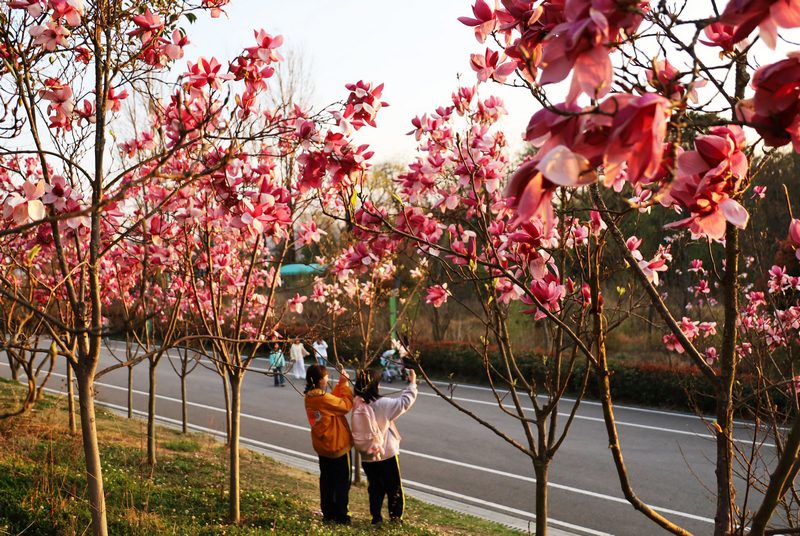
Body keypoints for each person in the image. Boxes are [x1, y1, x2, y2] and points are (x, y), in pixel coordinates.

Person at [354, 368, 417, 524]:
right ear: (376, 385)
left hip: (367, 455)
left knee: (374, 487)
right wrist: (412, 384)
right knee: (393, 487)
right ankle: (396, 519)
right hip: (386, 453)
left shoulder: (357, 403)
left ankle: (375, 518)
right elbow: (405, 402)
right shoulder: (382, 404)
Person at [304, 364, 353, 525]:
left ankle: (329, 513)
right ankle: (342, 516)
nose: (327, 378)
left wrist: (339, 384)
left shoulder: (311, 397)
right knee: (341, 483)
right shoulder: (322, 398)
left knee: (327, 482)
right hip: (337, 447)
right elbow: (345, 405)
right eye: (325, 376)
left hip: (323, 448)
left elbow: (332, 401)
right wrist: (345, 385)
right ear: (320, 380)